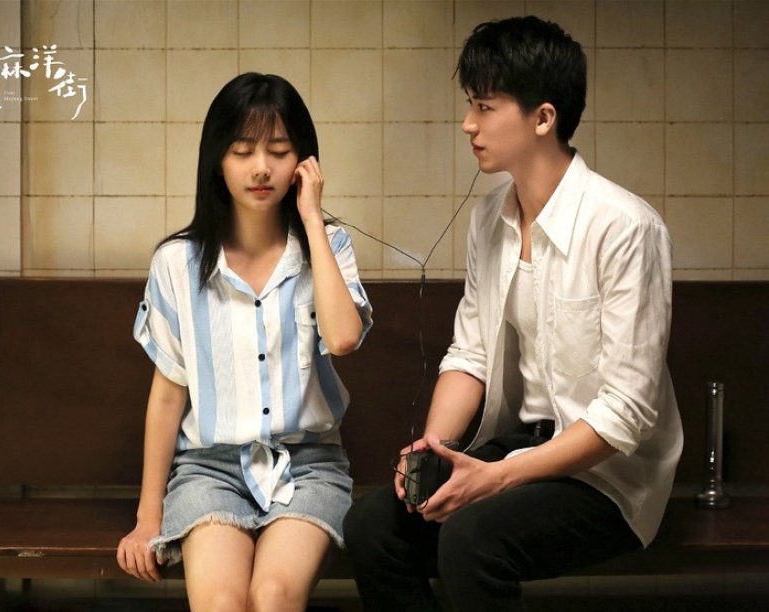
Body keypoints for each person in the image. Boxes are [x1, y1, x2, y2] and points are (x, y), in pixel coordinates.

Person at [343, 16, 683, 611]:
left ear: (543, 118)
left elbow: (625, 415)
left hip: (608, 476)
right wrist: (435, 451)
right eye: (470, 104)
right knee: (373, 526)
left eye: (485, 106)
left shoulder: (625, 228)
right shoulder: (490, 218)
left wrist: (495, 477)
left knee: (471, 540)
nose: (468, 124)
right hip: (522, 446)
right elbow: (470, 353)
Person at [117, 72, 373, 611]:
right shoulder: (176, 263)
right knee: (223, 603)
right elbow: (168, 396)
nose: (261, 168)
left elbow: (344, 338)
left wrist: (312, 218)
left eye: (279, 151)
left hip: (308, 466)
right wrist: (147, 517)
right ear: (218, 160)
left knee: (273, 597)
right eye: (242, 151)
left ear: (303, 162)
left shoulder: (330, 247)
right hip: (209, 470)